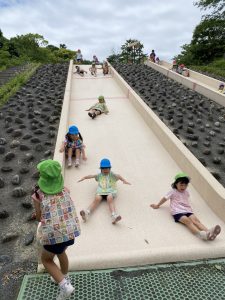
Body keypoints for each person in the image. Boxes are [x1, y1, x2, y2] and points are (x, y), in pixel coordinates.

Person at [32, 159, 81, 300]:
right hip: (69, 232)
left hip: (53, 235)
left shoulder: (38, 194)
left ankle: (65, 286)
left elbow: (39, 217)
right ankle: (63, 277)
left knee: (46, 260)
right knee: (61, 252)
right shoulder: (65, 190)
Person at [150, 173, 221, 241]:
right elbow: (165, 198)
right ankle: (201, 235)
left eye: (185, 185)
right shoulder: (173, 191)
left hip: (187, 210)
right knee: (188, 221)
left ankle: (209, 232)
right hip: (177, 211)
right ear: (176, 184)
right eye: (181, 185)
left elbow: (186, 199)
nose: (183, 187)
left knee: (196, 221)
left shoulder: (186, 192)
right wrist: (157, 205)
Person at [78, 158, 131, 224]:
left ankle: (114, 215)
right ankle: (87, 212)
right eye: (103, 169)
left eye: (107, 168)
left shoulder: (112, 175)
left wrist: (124, 180)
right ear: (101, 169)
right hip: (101, 191)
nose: (105, 170)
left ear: (110, 168)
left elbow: (118, 176)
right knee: (96, 199)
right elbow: (91, 176)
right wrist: (84, 177)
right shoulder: (99, 175)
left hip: (110, 191)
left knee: (110, 198)